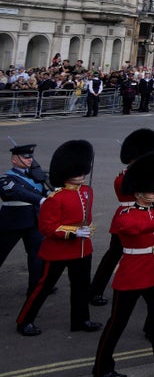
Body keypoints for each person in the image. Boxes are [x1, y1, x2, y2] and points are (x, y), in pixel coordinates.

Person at [90, 151, 154, 377]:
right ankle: (101, 369)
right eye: (151, 191)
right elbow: (136, 228)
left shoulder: (153, 211)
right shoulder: (125, 213)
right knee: (117, 323)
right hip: (132, 275)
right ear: (138, 193)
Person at [16, 139, 99, 336]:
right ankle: (24, 320)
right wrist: (72, 232)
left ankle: (81, 320)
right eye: (76, 172)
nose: (81, 175)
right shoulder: (55, 198)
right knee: (43, 287)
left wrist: (85, 230)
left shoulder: (87, 192)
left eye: (82, 171)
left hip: (82, 248)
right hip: (58, 251)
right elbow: (47, 228)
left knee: (81, 286)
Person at [91, 128, 154, 306]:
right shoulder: (124, 177)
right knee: (114, 255)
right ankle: (95, 290)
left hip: (148, 215)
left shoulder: (143, 173)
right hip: (129, 215)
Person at [0, 143, 51, 296]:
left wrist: (48, 183)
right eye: (25, 157)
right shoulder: (6, 178)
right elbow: (18, 192)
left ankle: (36, 287)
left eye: (31, 157)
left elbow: (51, 190)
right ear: (14, 160)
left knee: (37, 255)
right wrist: (41, 200)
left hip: (34, 221)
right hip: (12, 222)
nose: (29, 160)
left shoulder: (37, 175)